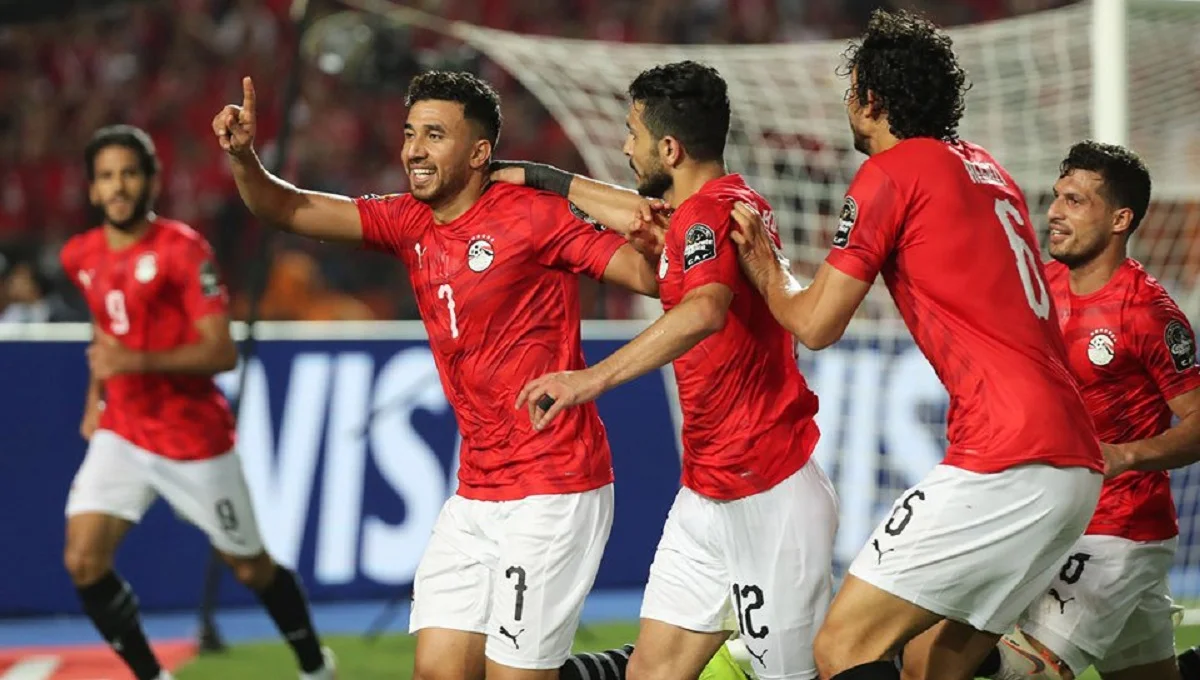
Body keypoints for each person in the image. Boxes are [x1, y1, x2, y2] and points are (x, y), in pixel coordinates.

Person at [212, 71, 665, 679]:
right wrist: (245, 158)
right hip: (476, 491)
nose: (414, 151)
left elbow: (646, 277)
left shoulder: (534, 216)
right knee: (439, 673)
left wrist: (649, 237)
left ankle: (645, 670)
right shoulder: (408, 221)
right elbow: (287, 207)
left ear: (479, 153)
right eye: (409, 133)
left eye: (434, 135)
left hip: (554, 485)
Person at [727, 10, 1104, 680]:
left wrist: (764, 265)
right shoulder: (988, 168)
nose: (847, 105)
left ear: (873, 99)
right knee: (932, 664)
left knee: (844, 647)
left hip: (1007, 454)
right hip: (1074, 463)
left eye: (851, 91)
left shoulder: (893, 172)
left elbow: (816, 324)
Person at [505, 60, 838, 680]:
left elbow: (705, 310)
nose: (624, 147)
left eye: (633, 133)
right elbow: (639, 216)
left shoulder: (706, 214)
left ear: (669, 148)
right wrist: (541, 177)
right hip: (708, 493)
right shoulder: (719, 205)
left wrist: (589, 380)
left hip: (768, 495)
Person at [903, 142, 1200, 680]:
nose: (1054, 213)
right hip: (1046, 516)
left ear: (1120, 219)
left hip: (1117, 531)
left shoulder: (1147, 312)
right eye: (1057, 197)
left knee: (1000, 668)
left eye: (1075, 201)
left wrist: (1126, 455)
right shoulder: (1037, 287)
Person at [60, 124, 335, 680]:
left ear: (152, 180)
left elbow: (221, 352)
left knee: (250, 568)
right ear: (92, 189)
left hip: (193, 440)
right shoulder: (80, 255)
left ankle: (314, 666)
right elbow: (105, 332)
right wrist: (95, 399)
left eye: (129, 174)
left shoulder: (183, 250)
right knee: (84, 560)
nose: (118, 186)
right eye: (107, 176)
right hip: (123, 431)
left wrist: (133, 362)